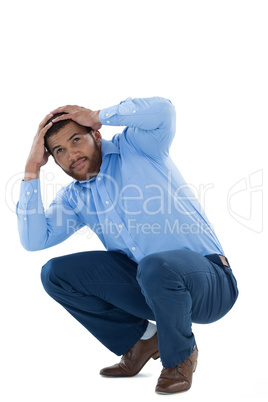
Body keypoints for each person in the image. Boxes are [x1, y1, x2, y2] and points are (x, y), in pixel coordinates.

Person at [16, 97, 239, 395]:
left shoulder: (138, 148)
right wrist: (31, 168)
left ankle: (180, 356)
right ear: (53, 160)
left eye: (76, 140)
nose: (72, 154)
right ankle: (143, 340)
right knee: (55, 273)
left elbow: (164, 111)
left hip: (209, 282)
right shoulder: (75, 198)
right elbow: (34, 240)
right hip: (153, 288)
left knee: (155, 266)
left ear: (95, 134)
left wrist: (98, 115)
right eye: (60, 151)